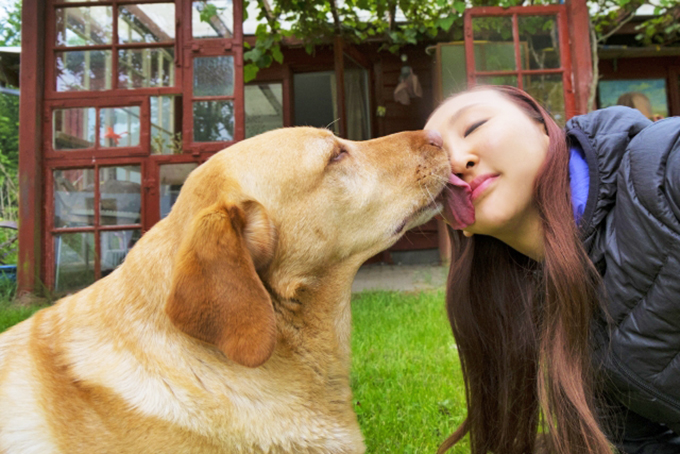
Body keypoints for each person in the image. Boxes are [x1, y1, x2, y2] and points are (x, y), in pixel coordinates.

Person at [425, 85, 680, 454]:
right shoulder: (547, 314)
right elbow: (643, 442)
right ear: (456, 220)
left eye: (474, 125)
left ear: (545, 127)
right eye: (439, 166)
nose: (458, 161)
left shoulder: (663, 165)